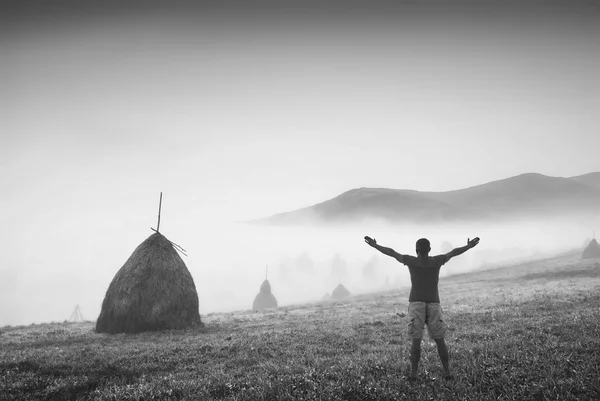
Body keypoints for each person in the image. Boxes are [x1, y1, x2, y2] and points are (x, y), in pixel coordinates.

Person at [364, 235, 480, 380]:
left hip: (416, 304)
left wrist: (375, 245)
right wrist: (469, 246)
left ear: (416, 250)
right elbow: (454, 252)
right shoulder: (436, 261)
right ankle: (447, 373)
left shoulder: (411, 261)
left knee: (416, 340)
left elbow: (392, 253)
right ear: (429, 249)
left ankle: (413, 375)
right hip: (434, 303)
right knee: (440, 340)